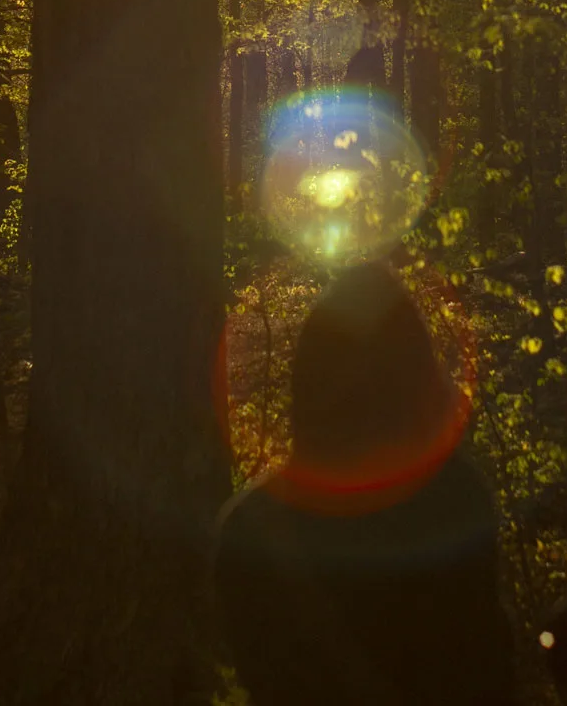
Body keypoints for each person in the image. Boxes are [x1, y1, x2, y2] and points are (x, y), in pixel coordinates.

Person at [214, 259, 516, 706]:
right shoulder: (455, 502)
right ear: (416, 371)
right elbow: (485, 674)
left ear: (307, 376)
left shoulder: (250, 530)